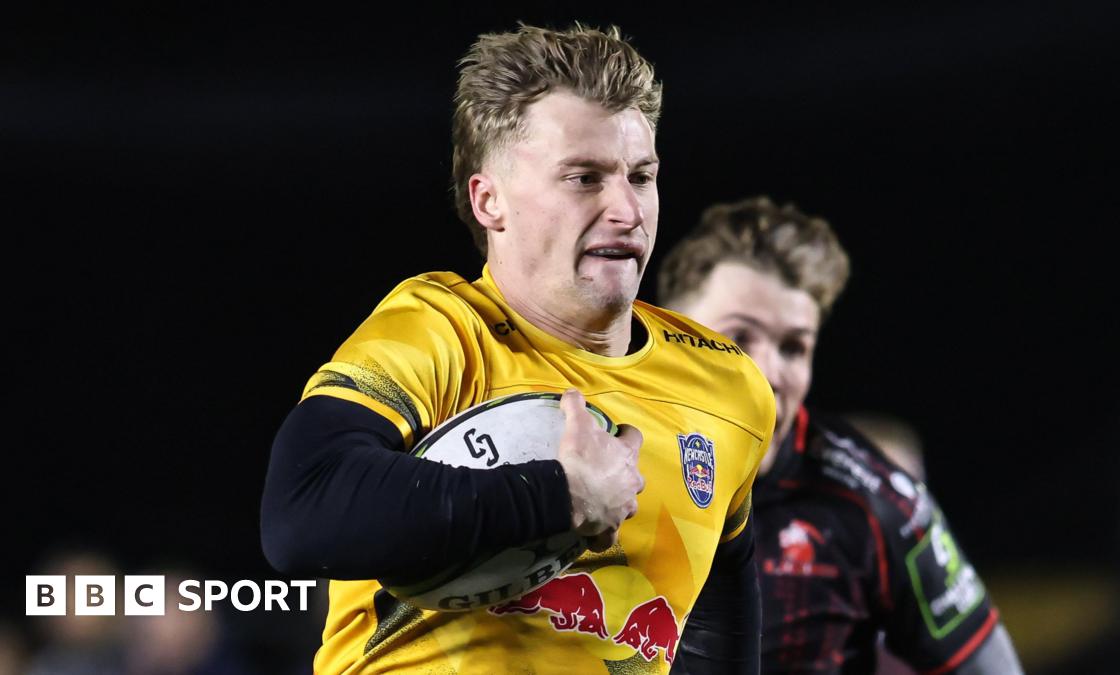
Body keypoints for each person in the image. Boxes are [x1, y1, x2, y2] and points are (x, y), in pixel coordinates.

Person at [260, 25, 774, 674]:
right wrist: (559, 496)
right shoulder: (442, 330)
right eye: (583, 178)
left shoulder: (726, 385)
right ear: (489, 201)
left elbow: (715, 625)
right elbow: (302, 512)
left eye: (641, 177)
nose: (627, 209)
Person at [658, 196, 1023, 674]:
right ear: (669, 333)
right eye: (739, 338)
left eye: (794, 348)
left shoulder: (876, 504)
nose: (767, 373)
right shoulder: (599, 456)